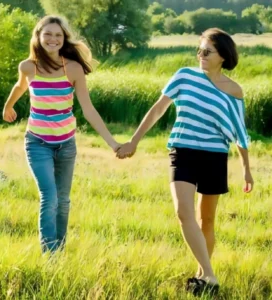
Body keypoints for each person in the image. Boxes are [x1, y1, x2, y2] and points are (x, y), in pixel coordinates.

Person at [116, 28, 254, 296]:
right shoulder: (184, 76)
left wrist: (247, 169)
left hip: (215, 156)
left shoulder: (234, 90)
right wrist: (134, 141)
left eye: (207, 51)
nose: (200, 55)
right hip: (183, 152)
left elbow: (240, 132)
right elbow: (158, 108)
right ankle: (211, 276)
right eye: (198, 50)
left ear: (223, 56)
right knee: (183, 213)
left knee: (207, 220)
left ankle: (202, 275)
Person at [3, 15, 120, 253]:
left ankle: (60, 249)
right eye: (48, 34)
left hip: (66, 144)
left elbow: (88, 110)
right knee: (50, 197)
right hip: (37, 142)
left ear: (64, 38)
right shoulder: (28, 66)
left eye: (58, 35)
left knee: (63, 202)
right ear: (38, 36)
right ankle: (51, 256)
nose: (53, 39)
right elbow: (20, 85)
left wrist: (113, 143)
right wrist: (8, 106)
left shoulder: (73, 68)